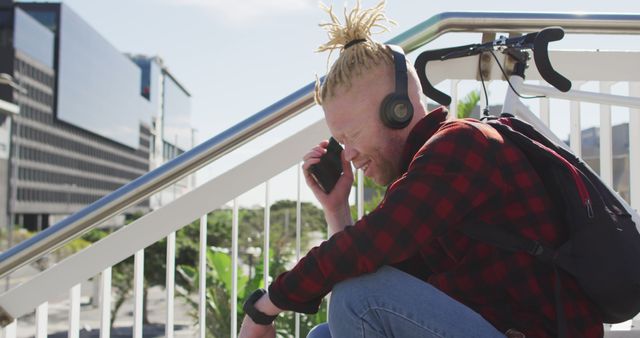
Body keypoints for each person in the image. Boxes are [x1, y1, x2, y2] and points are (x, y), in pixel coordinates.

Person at [239, 1, 603, 337]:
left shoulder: (460, 147)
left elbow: (367, 249)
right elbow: (366, 259)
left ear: (397, 110)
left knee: (360, 298)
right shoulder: (424, 177)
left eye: (353, 135)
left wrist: (264, 307)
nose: (347, 154)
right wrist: (337, 209)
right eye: (340, 141)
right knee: (325, 334)